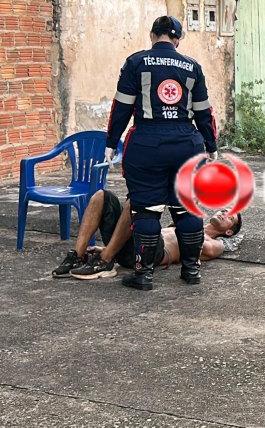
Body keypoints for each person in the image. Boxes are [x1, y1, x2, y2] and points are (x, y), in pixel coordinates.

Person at [107, 16, 218, 291]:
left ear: (152, 35)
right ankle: (192, 270)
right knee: (186, 206)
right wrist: (211, 145)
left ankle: (143, 274)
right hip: (187, 144)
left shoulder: (136, 62)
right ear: (177, 39)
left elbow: (121, 107)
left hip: (147, 142)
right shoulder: (193, 66)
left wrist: (111, 141)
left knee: (146, 208)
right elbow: (204, 111)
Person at [51, 189, 242, 279]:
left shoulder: (215, 243)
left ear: (228, 231)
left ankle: (105, 260)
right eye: (225, 210)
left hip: (153, 254)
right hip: (135, 245)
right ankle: (77, 256)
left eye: (230, 217)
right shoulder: (182, 224)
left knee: (137, 203)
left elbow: (205, 249)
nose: (224, 213)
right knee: (102, 196)